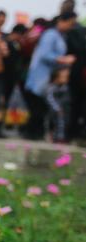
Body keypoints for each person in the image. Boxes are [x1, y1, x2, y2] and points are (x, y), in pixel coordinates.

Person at [24, 11, 77, 140]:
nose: (71, 26)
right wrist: (63, 59)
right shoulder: (50, 35)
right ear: (62, 21)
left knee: (42, 110)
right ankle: (31, 136)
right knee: (37, 109)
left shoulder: (60, 36)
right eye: (70, 23)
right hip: (40, 77)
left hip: (49, 79)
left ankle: (37, 135)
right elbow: (44, 55)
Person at [61, 0, 86, 139]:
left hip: (76, 74)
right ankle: (71, 132)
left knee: (74, 103)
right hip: (74, 74)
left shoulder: (76, 29)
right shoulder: (77, 29)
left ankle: (70, 132)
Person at [45, 67, 72, 142]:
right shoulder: (51, 88)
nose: (67, 79)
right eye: (64, 77)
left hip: (64, 111)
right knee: (55, 124)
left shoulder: (65, 87)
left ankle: (61, 138)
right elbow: (50, 99)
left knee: (63, 124)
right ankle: (56, 138)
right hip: (55, 111)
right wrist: (57, 108)